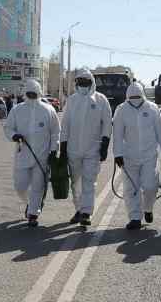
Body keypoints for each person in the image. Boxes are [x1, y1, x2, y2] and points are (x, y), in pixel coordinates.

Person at [113, 83, 161, 230]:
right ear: (127, 97)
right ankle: (135, 218)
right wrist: (117, 154)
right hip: (129, 157)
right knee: (131, 189)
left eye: (137, 97)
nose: (135, 100)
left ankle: (148, 208)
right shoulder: (121, 110)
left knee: (150, 186)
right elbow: (117, 134)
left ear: (143, 95)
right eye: (132, 97)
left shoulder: (152, 109)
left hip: (149, 156)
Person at [4, 80, 60, 227]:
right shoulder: (17, 110)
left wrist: (54, 150)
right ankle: (30, 203)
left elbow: (55, 132)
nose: (31, 96)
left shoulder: (48, 110)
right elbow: (8, 128)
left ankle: (33, 213)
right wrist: (14, 135)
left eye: (34, 94)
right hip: (23, 154)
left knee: (38, 186)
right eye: (29, 93)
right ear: (25, 94)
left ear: (39, 93)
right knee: (20, 186)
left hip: (42, 156)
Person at [60, 69, 112, 226]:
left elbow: (107, 124)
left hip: (93, 150)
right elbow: (65, 124)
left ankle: (86, 213)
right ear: (76, 83)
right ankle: (79, 209)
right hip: (73, 150)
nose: (82, 84)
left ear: (91, 83)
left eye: (85, 82)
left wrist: (105, 145)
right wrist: (63, 147)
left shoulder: (101, 100)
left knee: (89, 181)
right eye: (80, 82)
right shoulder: (72, 100)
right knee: (75, 183)